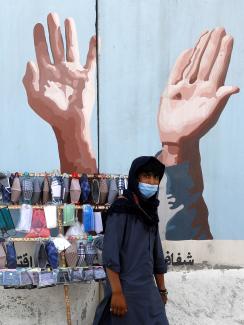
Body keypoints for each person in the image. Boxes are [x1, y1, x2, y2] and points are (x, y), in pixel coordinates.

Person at [93, 156, 169, 325]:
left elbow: (157, 255)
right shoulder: (121, 210)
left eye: (156, 178)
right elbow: (110, 256)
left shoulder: (150, 211)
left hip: (149, 293)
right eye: (146, 176)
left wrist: (162, 290)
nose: (151, 181)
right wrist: (117, 293)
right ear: (136, 178)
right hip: (126, 292)